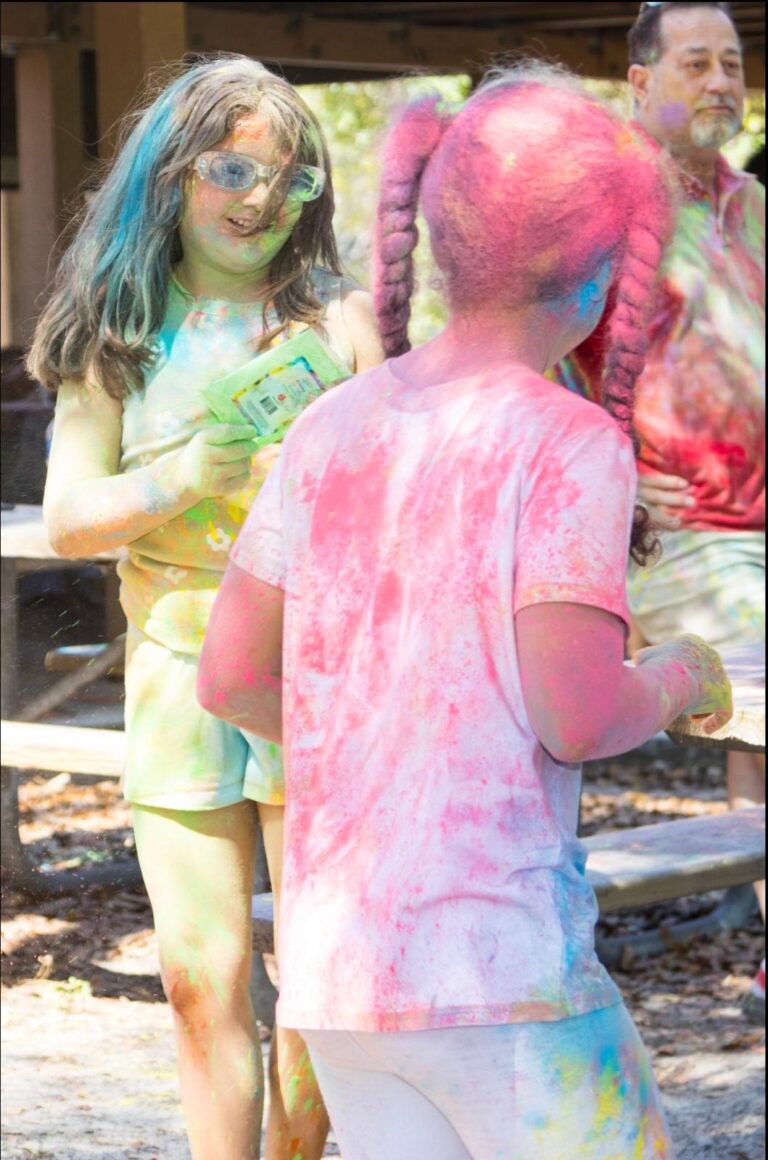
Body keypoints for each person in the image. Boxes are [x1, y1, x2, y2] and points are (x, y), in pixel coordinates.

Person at [198, 64, 733, 1158]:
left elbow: (230, 676)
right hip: (502, 974)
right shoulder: (567, 441)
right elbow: (577, 715)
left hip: (341, 980)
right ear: (603, 271)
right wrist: (684, 672)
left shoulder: (331, 426)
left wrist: (387, 731)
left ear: (441, 243)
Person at [28, 54, 383, 1160]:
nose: (261, 199)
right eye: (232, 169)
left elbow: (405, 508)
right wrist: (183, 476)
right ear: (172, 173)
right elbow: (68, 518)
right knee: (199, 975)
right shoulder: (117, 328)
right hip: (176, 674)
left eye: (291, 178)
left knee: (320, 980)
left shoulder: (341, 319)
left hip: (315, 674)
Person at [560, 0, 765, 1023]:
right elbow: (523, 349)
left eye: (732, 62)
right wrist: (615, 470)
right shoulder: (604, 204)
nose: (722, 80)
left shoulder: (755, 203)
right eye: (696, 62)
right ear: (640, 82)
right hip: (679, 539)